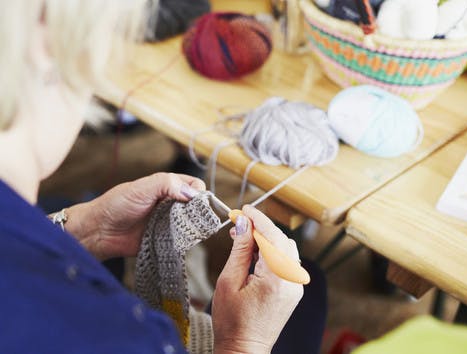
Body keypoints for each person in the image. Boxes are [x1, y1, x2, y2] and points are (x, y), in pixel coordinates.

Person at [0, 1, 320, 353]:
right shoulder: (114, 335)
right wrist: (243, 342)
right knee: (310, 292)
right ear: (47, 34)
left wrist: (88, 228)